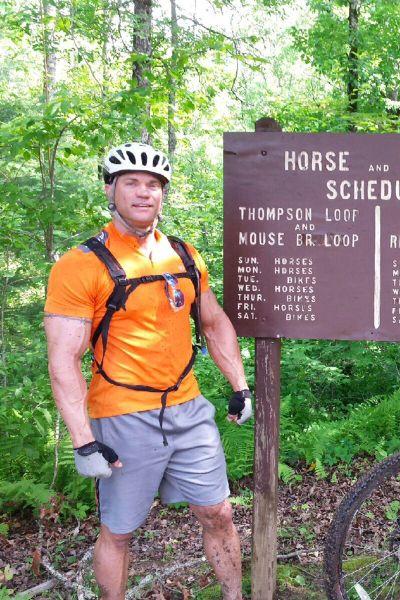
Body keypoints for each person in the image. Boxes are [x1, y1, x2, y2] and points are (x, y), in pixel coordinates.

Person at [44, 142, 253, 600]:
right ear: (110, 190)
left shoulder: (183, 255)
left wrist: (239, 385)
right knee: (119, 532)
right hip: (122, 417)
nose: (144, 193)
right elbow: (64, 359)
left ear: (163, 193)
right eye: (132, 183)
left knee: (218, 513)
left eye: (153, 184)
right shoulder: (80, 265)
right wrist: (82, 440)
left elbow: (214, 322)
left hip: (190, 410)